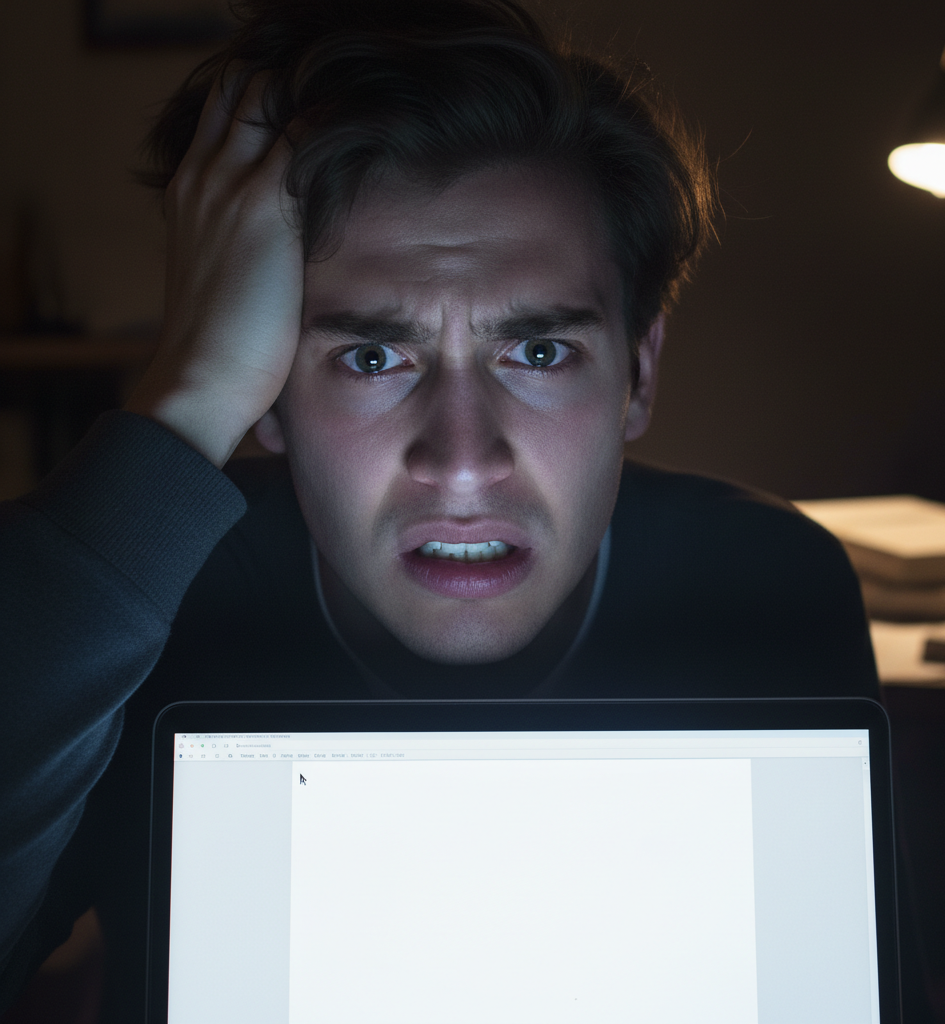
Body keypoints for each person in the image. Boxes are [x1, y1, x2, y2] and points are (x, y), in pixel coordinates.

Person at [0, 0, 877, 1018]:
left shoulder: (766, 588)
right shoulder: (150, 599)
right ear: (270, 387)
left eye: (539, 352)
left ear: (637, 375)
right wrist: (188, 398)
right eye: (371, 357)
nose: (461, 465)